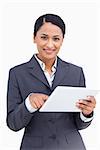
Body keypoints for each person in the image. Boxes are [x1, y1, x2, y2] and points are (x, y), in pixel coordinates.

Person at [7, 14, 96, 150]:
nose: (50, 44)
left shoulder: (75, 72)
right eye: (44, 37)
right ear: (34, 38)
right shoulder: (17, 73)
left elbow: (79, 124)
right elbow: (13, 124)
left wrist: (86, 113)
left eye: (56, 39)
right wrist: (28, 104)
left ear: (62, 41)